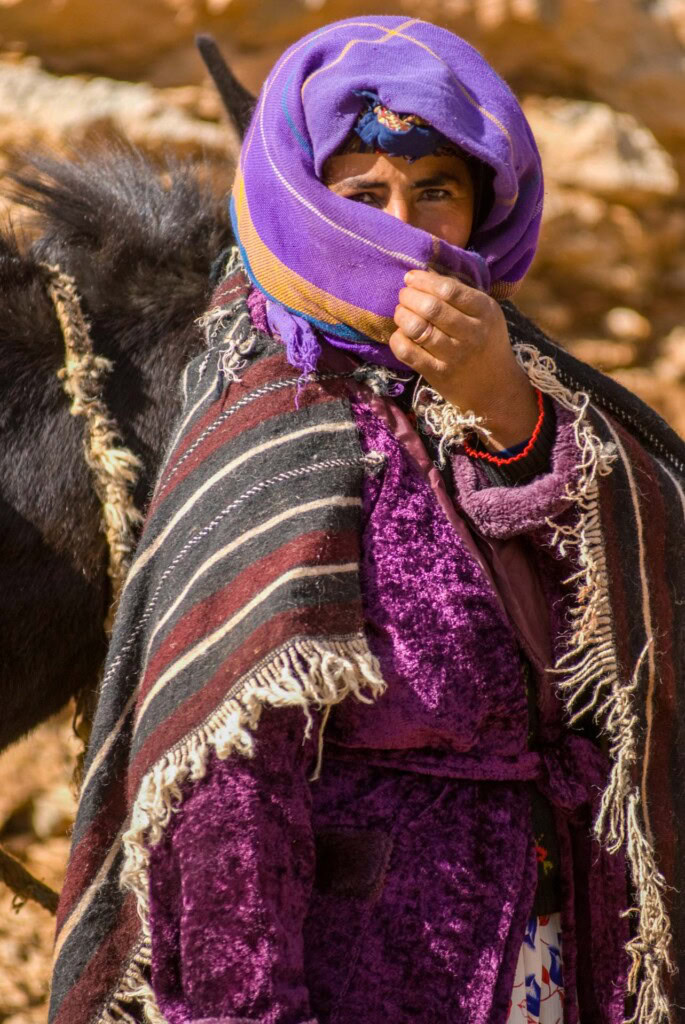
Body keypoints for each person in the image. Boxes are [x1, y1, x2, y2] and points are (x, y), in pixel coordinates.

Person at [49, 17, 685, 1024]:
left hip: (554, 953)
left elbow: (626, 631)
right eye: (364, 196)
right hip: (363, 975)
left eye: (436, 189)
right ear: (303, 204)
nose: (406, 225)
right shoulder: (265, 420)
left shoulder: (522, 379)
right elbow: (228, 794)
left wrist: (504, 410)